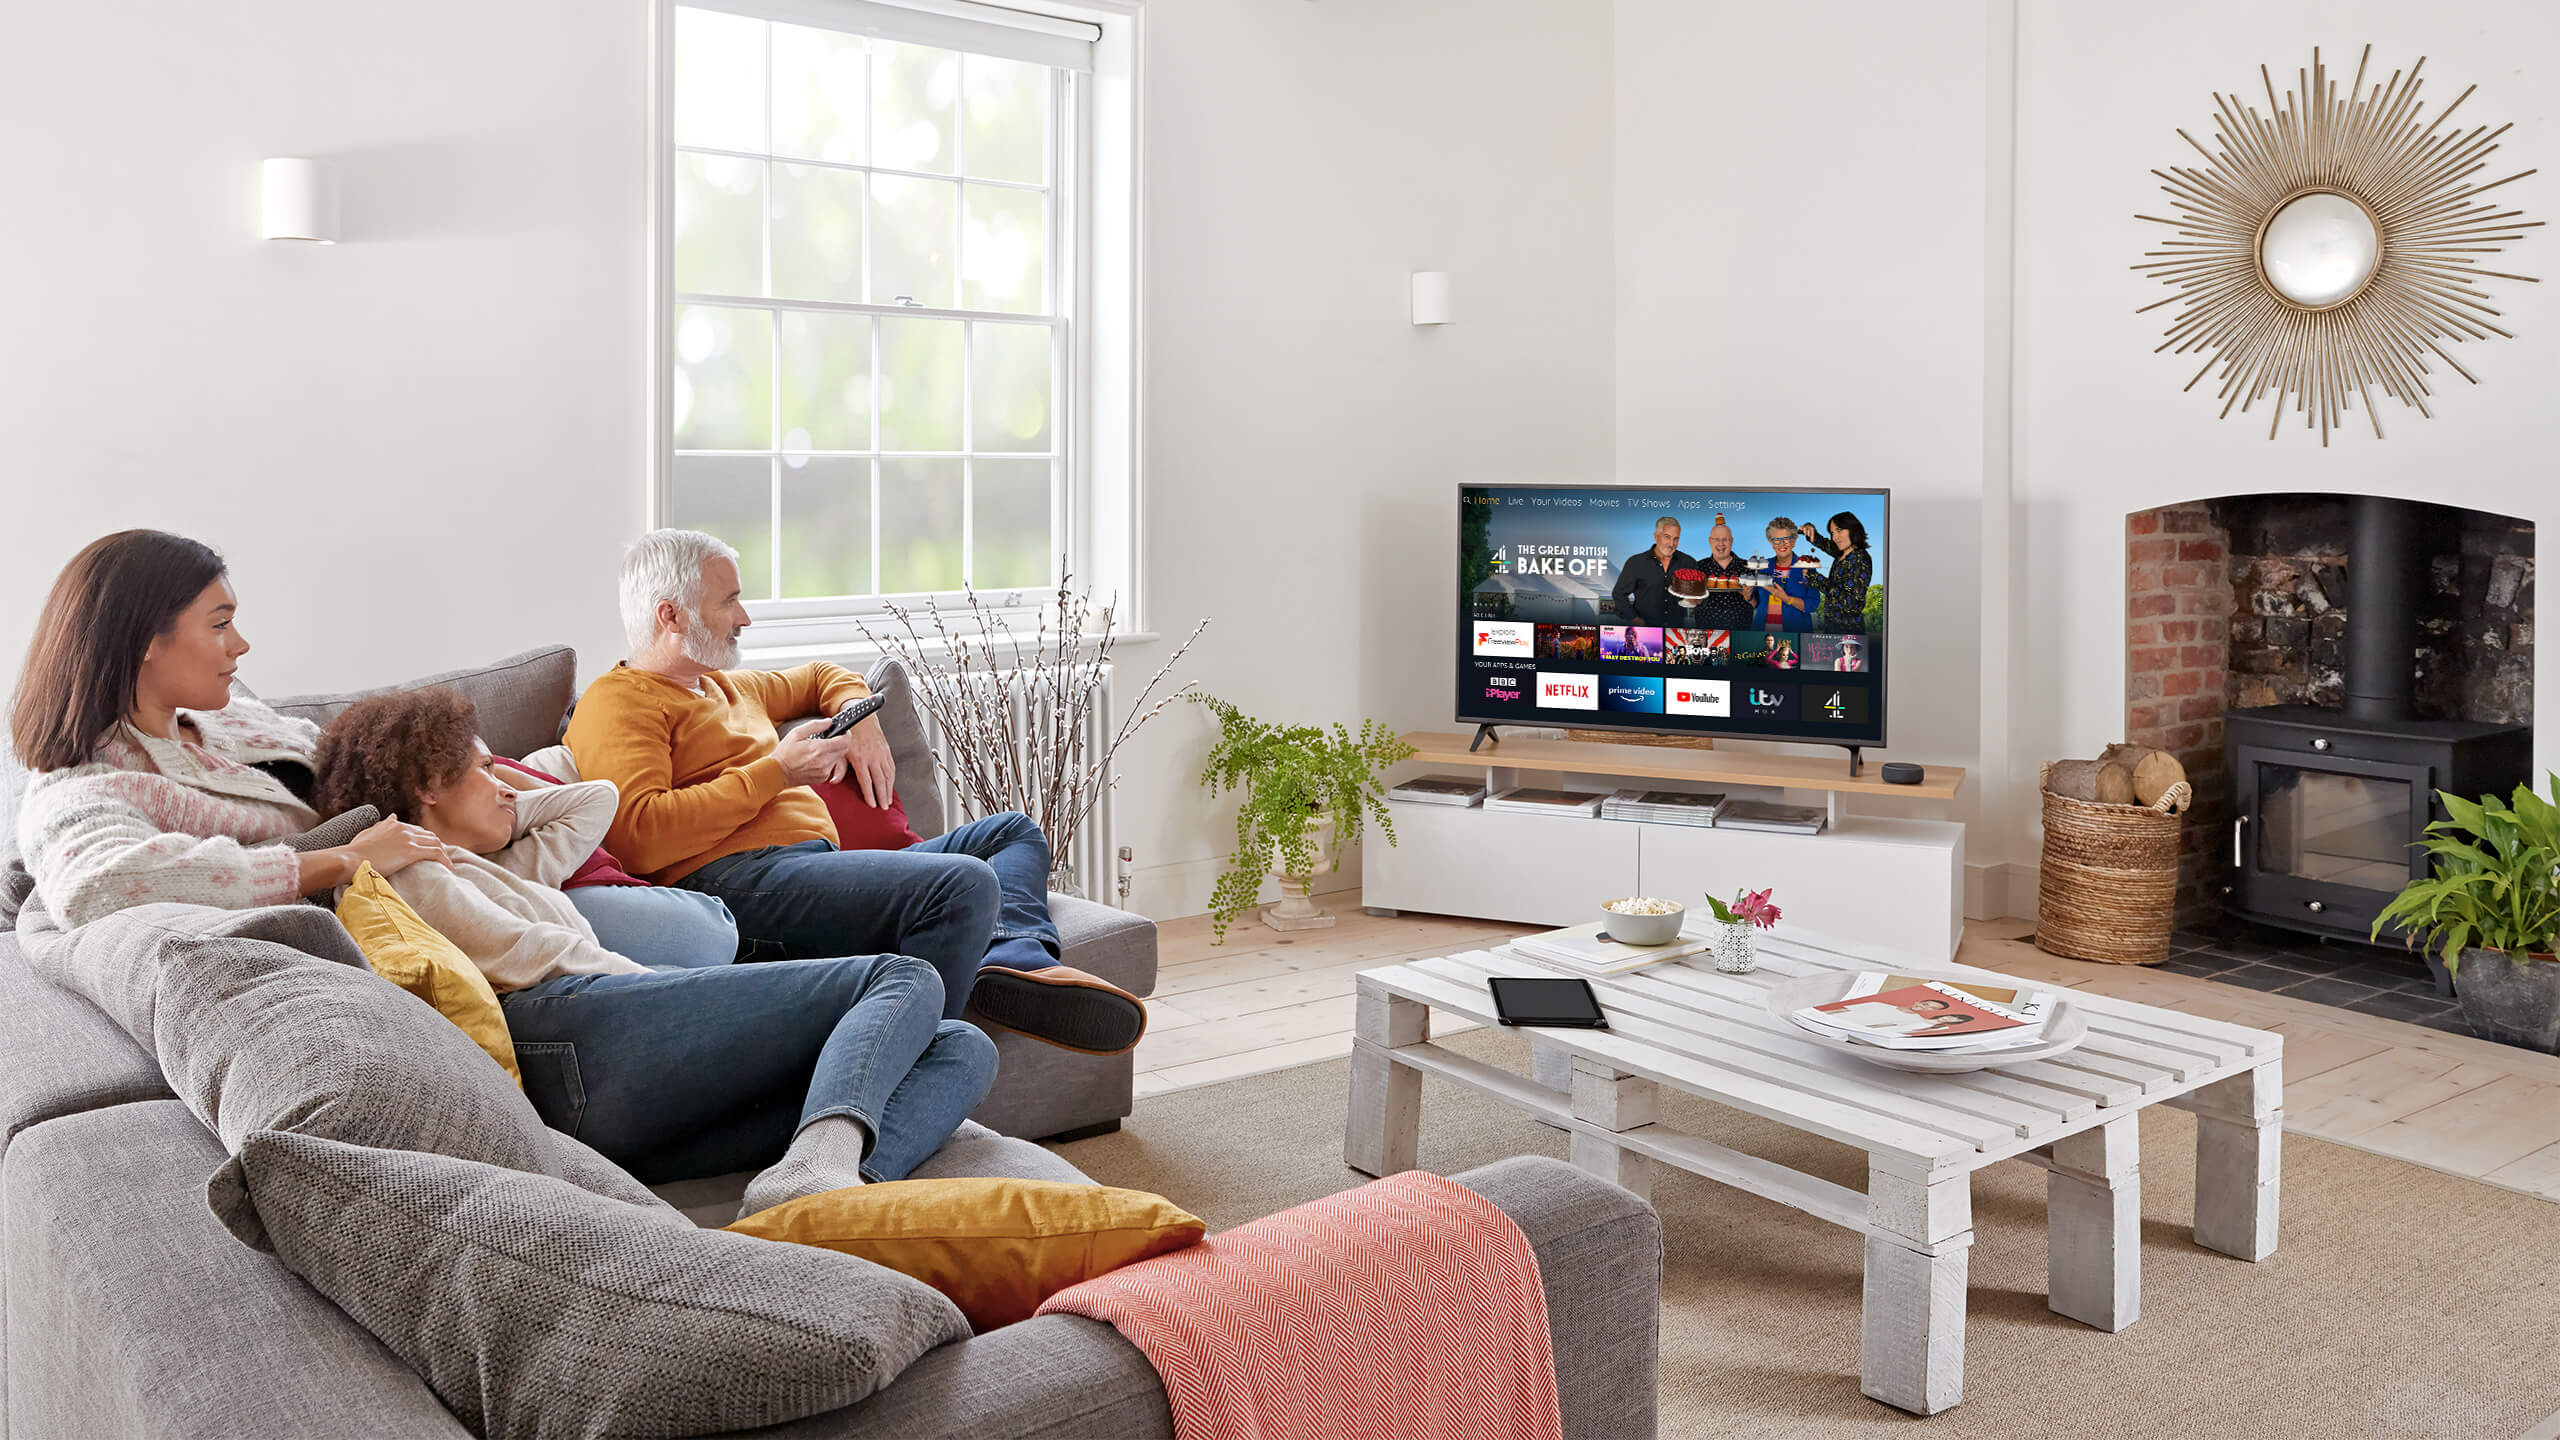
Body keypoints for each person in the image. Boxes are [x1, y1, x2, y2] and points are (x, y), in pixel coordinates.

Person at [314, 688, 992, 1208]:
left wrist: (498, 797)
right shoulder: (409, 870)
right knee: (901, 980)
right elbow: (527, 955)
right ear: (429, 787)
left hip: (608, 1064)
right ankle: (822, 1169)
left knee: (958, 1045)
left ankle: (821, 1189)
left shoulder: (501, 864)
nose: (502, 783)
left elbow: (592, 801)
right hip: (574, 1033)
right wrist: (659, 989)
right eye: (482, 770)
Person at [566, 529, 1144, 1055]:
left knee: (1013, 832)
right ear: (671, 615)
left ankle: (1013, 960)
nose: (744, 616)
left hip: (809, 867)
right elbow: (638, 835)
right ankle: (917, 1058)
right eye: (728, 601)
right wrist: (779, 772)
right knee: (963, 881)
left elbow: (821, 674)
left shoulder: (722, 686)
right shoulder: (620, 701)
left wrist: (857, 713)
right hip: (734, 884)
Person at [1607, 516, 1695, 630]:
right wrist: (1635, 619)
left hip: (1676, 631)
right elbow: (1618, 594)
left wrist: (1698, 600)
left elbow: (1701, 593)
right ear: (1656, 536)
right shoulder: (1636, 563)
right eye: (1667, 537)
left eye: (1676, 538)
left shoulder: (1688, 562)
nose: (1671, 543)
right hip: (1646, 630)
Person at [1797, 511, 1876, 635]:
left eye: (1839, 530)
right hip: (1831, 627)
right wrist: (1810, 531)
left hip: (1849, 633)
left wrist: (1817, 579)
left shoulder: (1860, 559)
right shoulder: (1843, 552)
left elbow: (1849, 602)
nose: (1835, 537)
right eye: (1832, 533)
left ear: (1853, 529)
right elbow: (1824, 543)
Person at [1753, 518, 1821, 629]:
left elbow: (1813, 604)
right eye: (1776, 540)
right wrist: (1748, 596)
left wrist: (1787, 599)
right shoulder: (1762, 567)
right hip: (1762, 631)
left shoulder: (1806, 567)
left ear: (1793, 541)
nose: (1781, 544)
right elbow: (1756, 602)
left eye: (1786, 539)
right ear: (1771, 543)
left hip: (1795, 632)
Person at [1692, 516, 1757, 632]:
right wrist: (1695, 599)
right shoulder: (1698, 567)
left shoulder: (1748, 567)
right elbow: (1693, 600)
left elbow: (1757, 604)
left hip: (1740, 631)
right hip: (1707, 633)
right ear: (1710, 541)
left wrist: (1750, 597)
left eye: (1725, 539)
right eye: (1716, 539)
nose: (1721, 544)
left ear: (1731, 541)